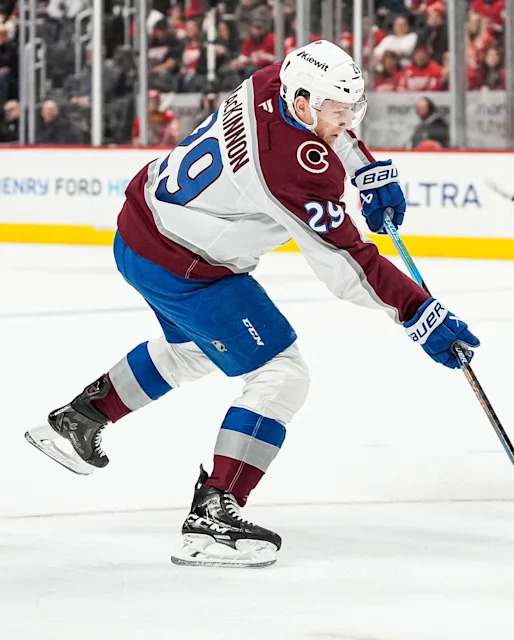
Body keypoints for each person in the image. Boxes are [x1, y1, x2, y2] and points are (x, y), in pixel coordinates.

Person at [24, 41, 480, 568]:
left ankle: (78, 419)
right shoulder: (292, 169)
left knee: (195, 351)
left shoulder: (273, 80)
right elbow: (348, 267)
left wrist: (365, 169)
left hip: (141, 231)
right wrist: (419, 311)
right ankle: (212, 521)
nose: (347, 121)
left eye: (353, 109)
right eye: (338, 112)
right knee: (282, 375)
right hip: (186, 266)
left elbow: (331, 134)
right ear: (304, 102)